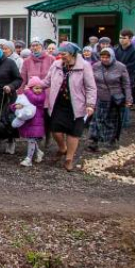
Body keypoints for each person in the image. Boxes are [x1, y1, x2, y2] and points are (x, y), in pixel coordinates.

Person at [40, 43, 96, 172]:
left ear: (72, 54)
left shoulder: (84, 66)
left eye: (64, 54)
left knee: (73, 132)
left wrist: (90, 104)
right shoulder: (56, 64)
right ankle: (62, 148)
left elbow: (91, 87)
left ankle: (69, 159)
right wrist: (37, 85)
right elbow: (47, 81)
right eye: (60, 54)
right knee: (55, 130)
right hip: (59, 103)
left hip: (77, 104)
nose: (61, 56)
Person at [88, 48, 132, 151]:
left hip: (114, 99)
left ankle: (109, 142)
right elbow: (90, 82)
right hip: (99, 97)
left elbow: (126, 84)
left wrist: (128, 99)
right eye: (102, 57)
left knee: (111, 121)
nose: (104, 59)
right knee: (97, 120)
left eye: (107, 57)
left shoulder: (120, 67)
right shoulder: (96, 66)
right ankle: (94, 141)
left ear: (112, 56)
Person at [16, 77, 47, 167]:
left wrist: (27, 91)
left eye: (40, 88)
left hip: (36, 123)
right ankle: (39, 152)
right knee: (31, 139)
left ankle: (28, 159)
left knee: (31, 139)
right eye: (36, 88)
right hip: (29, 122)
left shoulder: (41, 96)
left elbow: (35, 99)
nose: (39, 90)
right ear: (31, 87)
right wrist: (16, 106)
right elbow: (18, 102)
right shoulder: (26, 95)